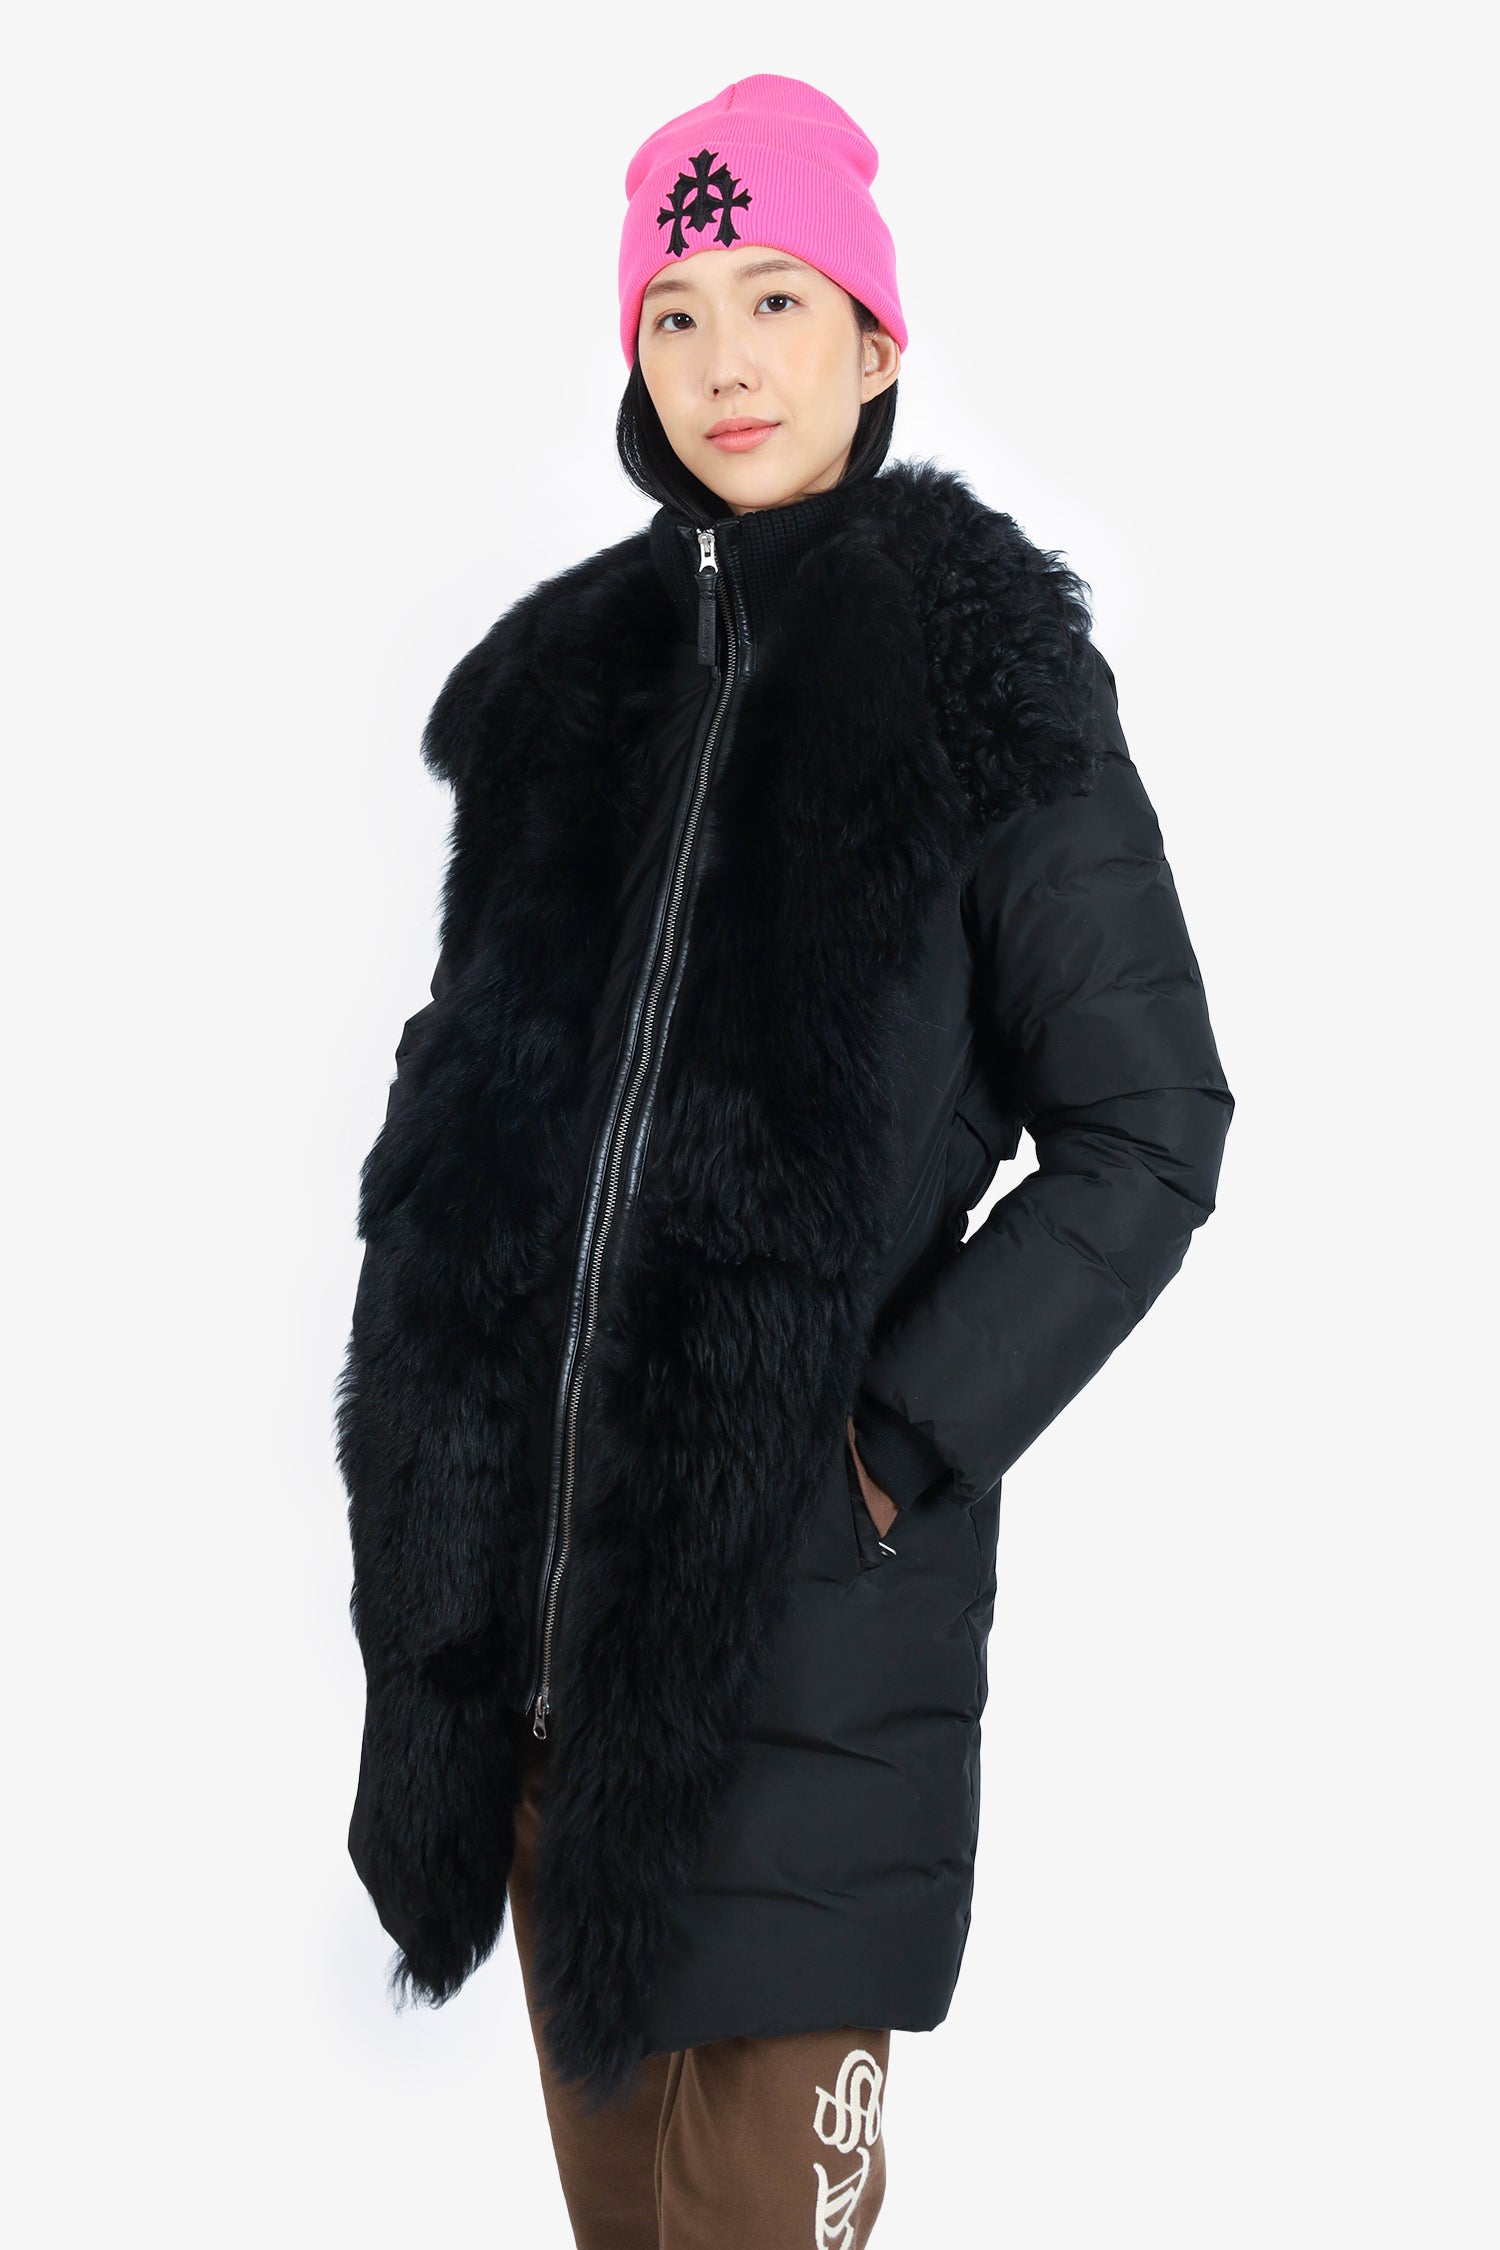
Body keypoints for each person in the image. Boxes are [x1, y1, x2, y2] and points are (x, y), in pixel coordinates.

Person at [335, 71, 1234, 2249]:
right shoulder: (564, 689)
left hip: (797, 1658)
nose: (724, 358)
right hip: (540, 1668)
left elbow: (1148, 1125)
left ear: (875, 337)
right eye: (676, 312)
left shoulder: (985, 673)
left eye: (776, 298)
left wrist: (882, 1443)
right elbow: (478, 1099)